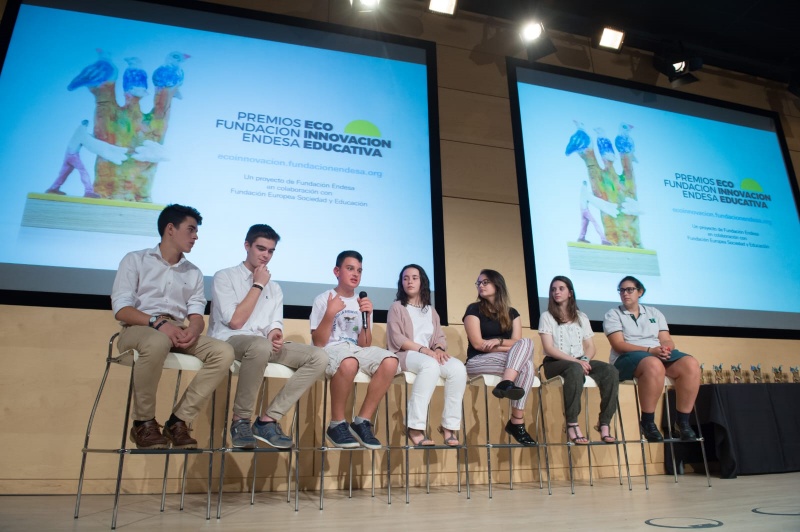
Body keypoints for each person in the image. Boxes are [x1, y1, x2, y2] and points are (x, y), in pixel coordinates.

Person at [111, 204, 234, 449]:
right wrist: (158, 323)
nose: (195, 236)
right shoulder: (135, 259)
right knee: (158, 340)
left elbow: (196, 314)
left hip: (176, 329)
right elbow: (122, 309)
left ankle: (178, 421)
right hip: (138, 328)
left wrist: (194, 330)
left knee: (224, 352)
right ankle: (143, 422)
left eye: (196, 231)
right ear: (170, 229)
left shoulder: (193, 272)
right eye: (191, 229)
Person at [209, 224, 328, 449]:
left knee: (319, 357)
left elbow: (274, 324)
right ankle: (240, 420)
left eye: (271, 251)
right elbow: (235, 321)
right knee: (260, 346)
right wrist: (258, 284)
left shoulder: (275, 288)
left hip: (262, 345)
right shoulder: (225, 276)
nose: (266, 255)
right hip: (230, 341)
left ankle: (268, 420)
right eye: (261, 248)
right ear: (247, 246)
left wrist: (275, 334)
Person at [310, 250, 399, 449]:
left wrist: (367, 315)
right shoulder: (324, 299)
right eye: (350, 268)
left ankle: (362, 421)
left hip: (355, 349)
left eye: (359, 270)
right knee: (349, 362)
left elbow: (365, 344)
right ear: (337, 271)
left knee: (391, 360)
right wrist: (330, 313)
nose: (355, 274)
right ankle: (337, 423)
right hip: (331, 349)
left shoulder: (362, 302)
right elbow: (318, 342)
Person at [603, 275, 701, 442]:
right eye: (622, 290)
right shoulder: (613, 314)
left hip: (654, 353)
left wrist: (665, 349)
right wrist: (650, 350)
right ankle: (648, 423)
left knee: (690, 364)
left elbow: (666, 339)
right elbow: (618, 344)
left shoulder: (654, 312)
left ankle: (682, 423)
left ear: (640, 292)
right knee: (653, 364)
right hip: (627, 358)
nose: (625, 293)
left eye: (630, 290)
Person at [386, 264, 467, 446]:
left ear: (422, 281)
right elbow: (397, 338)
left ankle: (449, 427)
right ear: (401, 283)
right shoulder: (397, 307)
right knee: (429, 365)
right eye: (405, 278)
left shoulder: (431, 310)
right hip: (405, 354)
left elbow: (439, 337)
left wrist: (438, 349)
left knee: (458, 369)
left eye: (414, 278)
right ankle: (414, 427)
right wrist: (424, 350)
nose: (409, 281)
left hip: (428, 355)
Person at [539, 276, 619, 444]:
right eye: (553, 289)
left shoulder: (582, 317)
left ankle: (604, 422)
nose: (556, 292)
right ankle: (572, 423)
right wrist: (577, 362)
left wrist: (585, 359)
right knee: (575, 369)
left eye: (561, 288)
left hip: (579, 361)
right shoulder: (547, 316)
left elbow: (590, 346)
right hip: (555, 363)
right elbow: (549, 348)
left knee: (610, 370)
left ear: (570, 293)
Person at [463, 269, 537, 446]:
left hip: (506, 361)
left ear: (497, 285)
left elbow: (518, 343)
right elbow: (479, 344)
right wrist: (508, 348)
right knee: (525, 364)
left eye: (485, 282)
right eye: (478, 283)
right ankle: (517, 422)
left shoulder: (512, 313)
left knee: (527, 345)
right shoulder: (473, 309)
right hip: (478, 360)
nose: (480, 286)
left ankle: (507, 385)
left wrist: (498, 341)